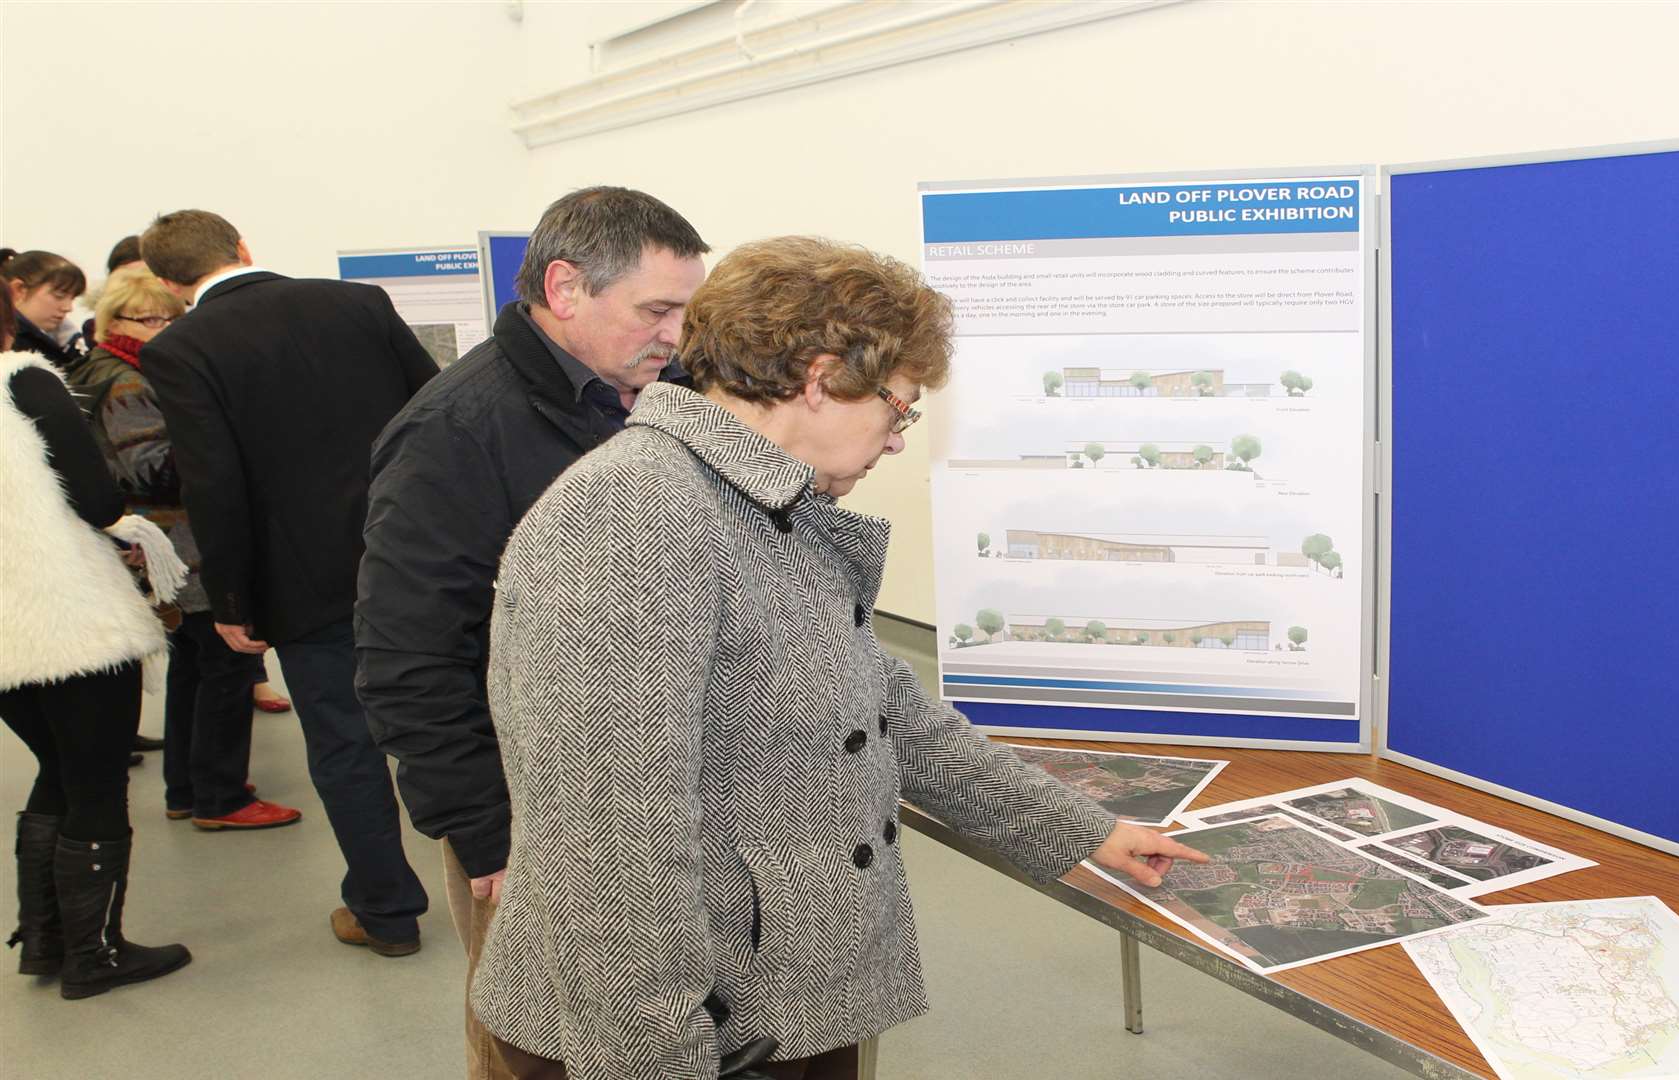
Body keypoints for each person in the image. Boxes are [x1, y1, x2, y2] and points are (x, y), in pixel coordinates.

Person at [471, 237, 1207, 1079]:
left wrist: (1083, 829)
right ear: (821, 379)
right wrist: (658, 1058)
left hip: (777, 1000)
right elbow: (610, 843)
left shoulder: (769, 502)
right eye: (899, 406)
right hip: (669, 1031)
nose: (899, 438)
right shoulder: (633, 516)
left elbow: (890, 710)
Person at [357, 186, 708, 1075]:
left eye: (684, 312)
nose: (674, 334)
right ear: (565, 287)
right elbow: (409, 656)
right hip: (526, 809)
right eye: (656, 310)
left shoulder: (644, 395)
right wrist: (486, 834)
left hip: (639, 784)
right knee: (525, 1036)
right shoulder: (455, 432)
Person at [136, 209, 437, 954]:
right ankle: (520, 892)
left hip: (304, 583)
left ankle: (386, 911)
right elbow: (435, 411)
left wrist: (232, 599)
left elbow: (214, 482)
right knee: (463, 721)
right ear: (242, 246)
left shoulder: (182, 347)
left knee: (345, 742)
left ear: (171, 284)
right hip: (420, 555)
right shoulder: (358, 302)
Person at [0, 278, 192, 999]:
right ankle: (95, 954)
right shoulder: (24, 383)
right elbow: (98, 496)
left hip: (8, 638)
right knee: (95, 781)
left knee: (56, 770)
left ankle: (47, 941)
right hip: (71, 617)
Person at [72, 269, 301, 830]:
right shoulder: (126, 382)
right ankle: (220, 797)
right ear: (117, 322)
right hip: (181, 543)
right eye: (152, 319)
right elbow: (151, 467)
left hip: (169, 543)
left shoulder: (116, 370)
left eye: (171, 317)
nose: (166, 328)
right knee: (225, 665)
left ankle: (189, 785)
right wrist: (222, 444)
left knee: (195, 668)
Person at [2, 249, 88, 373]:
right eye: (59, 295)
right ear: (19, 289)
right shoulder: (10, 346)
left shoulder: (71, 343)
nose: (68, 308)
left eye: (72, 298)